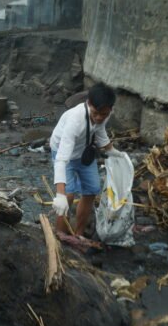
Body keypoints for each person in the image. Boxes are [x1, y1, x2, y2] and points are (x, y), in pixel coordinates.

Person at [50, 83, 123, 236]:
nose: (99, 117)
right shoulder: (75, 121)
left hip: (83, 150)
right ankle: (59, 236)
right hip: (64, 154)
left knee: (91, 190)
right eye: (96, 113)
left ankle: (79, 235)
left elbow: (99, 130)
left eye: (103, 114)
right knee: (68, 196)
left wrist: (112, 151)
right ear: (89, 104)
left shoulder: (105, 112)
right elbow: (61, 159)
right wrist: (60, 194)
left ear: (110, 108)